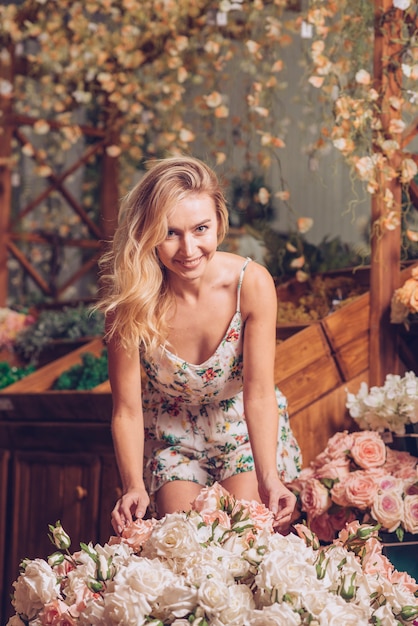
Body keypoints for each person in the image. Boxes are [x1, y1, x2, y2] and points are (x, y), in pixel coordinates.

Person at [96, 155, 302, 536]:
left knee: (244, 537)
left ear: (219, 223)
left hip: (241, 427)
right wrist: (133, 486)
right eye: (170, 232)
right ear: (148, 233)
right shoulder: (129, 304)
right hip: (173, 436)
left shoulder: (252, 285)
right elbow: (126, 409)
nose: (188, 248)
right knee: (186, 543)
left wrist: (269, 478)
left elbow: (258, 394)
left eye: (200, 229)